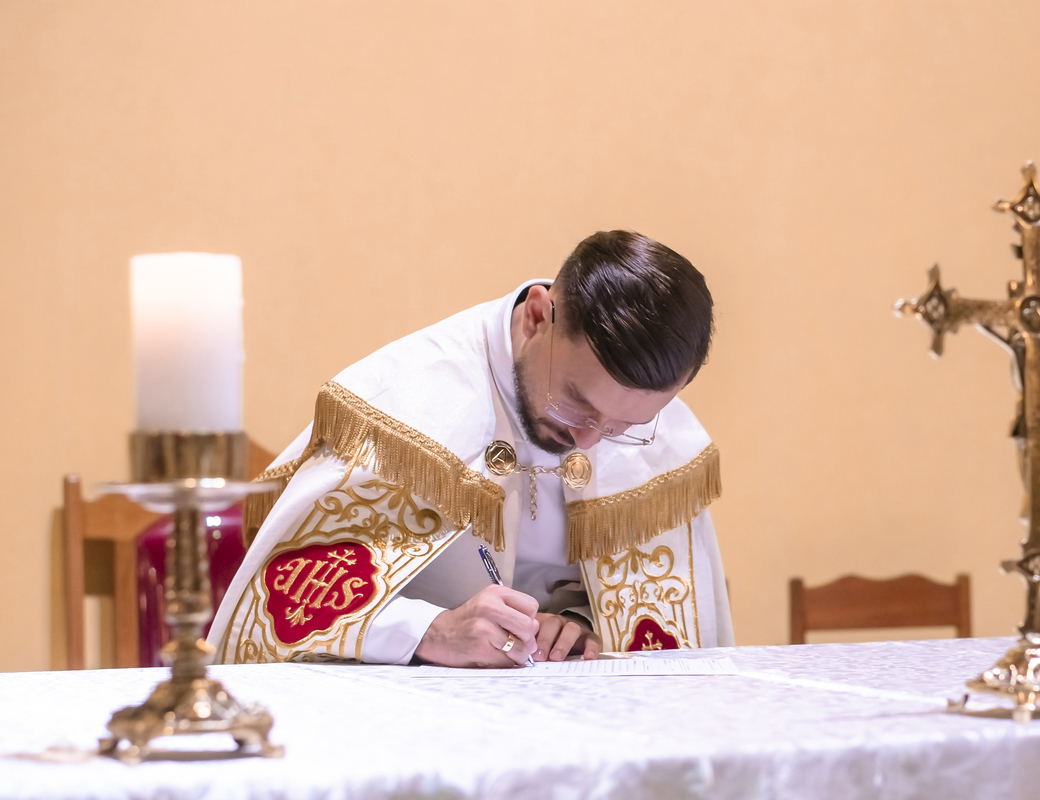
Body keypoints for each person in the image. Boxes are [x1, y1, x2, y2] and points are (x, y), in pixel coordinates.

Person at [210, 230, 734, 667]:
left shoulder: (648, 435)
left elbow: (660, 626)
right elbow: (284, 597)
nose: (589, 440)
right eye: (576, 403)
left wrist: (580, 623)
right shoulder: (402, 406)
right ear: (537, 318)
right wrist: (431, 629)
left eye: (624, 426)